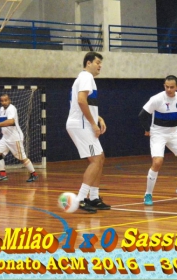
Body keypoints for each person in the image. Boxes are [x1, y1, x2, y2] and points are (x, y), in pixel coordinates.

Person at [138, 75, 177, 206]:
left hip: (173, 132)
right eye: (166, 86)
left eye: (172, 87)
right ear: (164, 86)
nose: (169, 89)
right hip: (158, 133)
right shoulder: (156, 99)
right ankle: (148, 194)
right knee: (157, 162)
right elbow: (142, 115)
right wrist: (147, 129)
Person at [66, 51, 111, 214]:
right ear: (88, 63)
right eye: (97, 62)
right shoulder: (86, 77)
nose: (100, 65)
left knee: (100, 158)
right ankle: (81, 199)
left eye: (101, 63)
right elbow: (81, 101)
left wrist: (97, 117)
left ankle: (94, 197)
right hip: (81, 124)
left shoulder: (83, 78)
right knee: (96, 159)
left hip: (82, 122)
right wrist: (93, 123)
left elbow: (82, 104)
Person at [0, 94, 38, 182]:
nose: (4, 102)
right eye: (2, 101)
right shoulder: (1, 109)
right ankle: (3, 174)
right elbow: (3, 122)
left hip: (14, 138)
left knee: (22, 158)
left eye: (6, 100)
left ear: (9, 100)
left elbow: (11, 121)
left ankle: (33, 174)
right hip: (5, 138)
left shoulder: (12, 108)